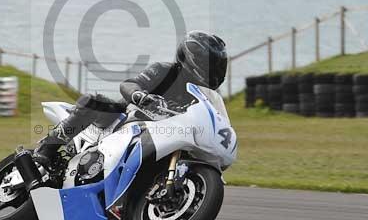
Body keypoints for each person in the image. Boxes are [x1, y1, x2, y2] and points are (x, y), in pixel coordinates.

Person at [34, 31, 228, 164]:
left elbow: (216, 122)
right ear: (194, 59)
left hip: (163, 137)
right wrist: (140, 96)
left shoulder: (209, 97)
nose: (215, 70)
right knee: (92, 101)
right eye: (212, 64)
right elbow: (128, 84)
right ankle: (48, 147)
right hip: (124, 118)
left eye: (218, 65)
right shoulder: (166, 71)